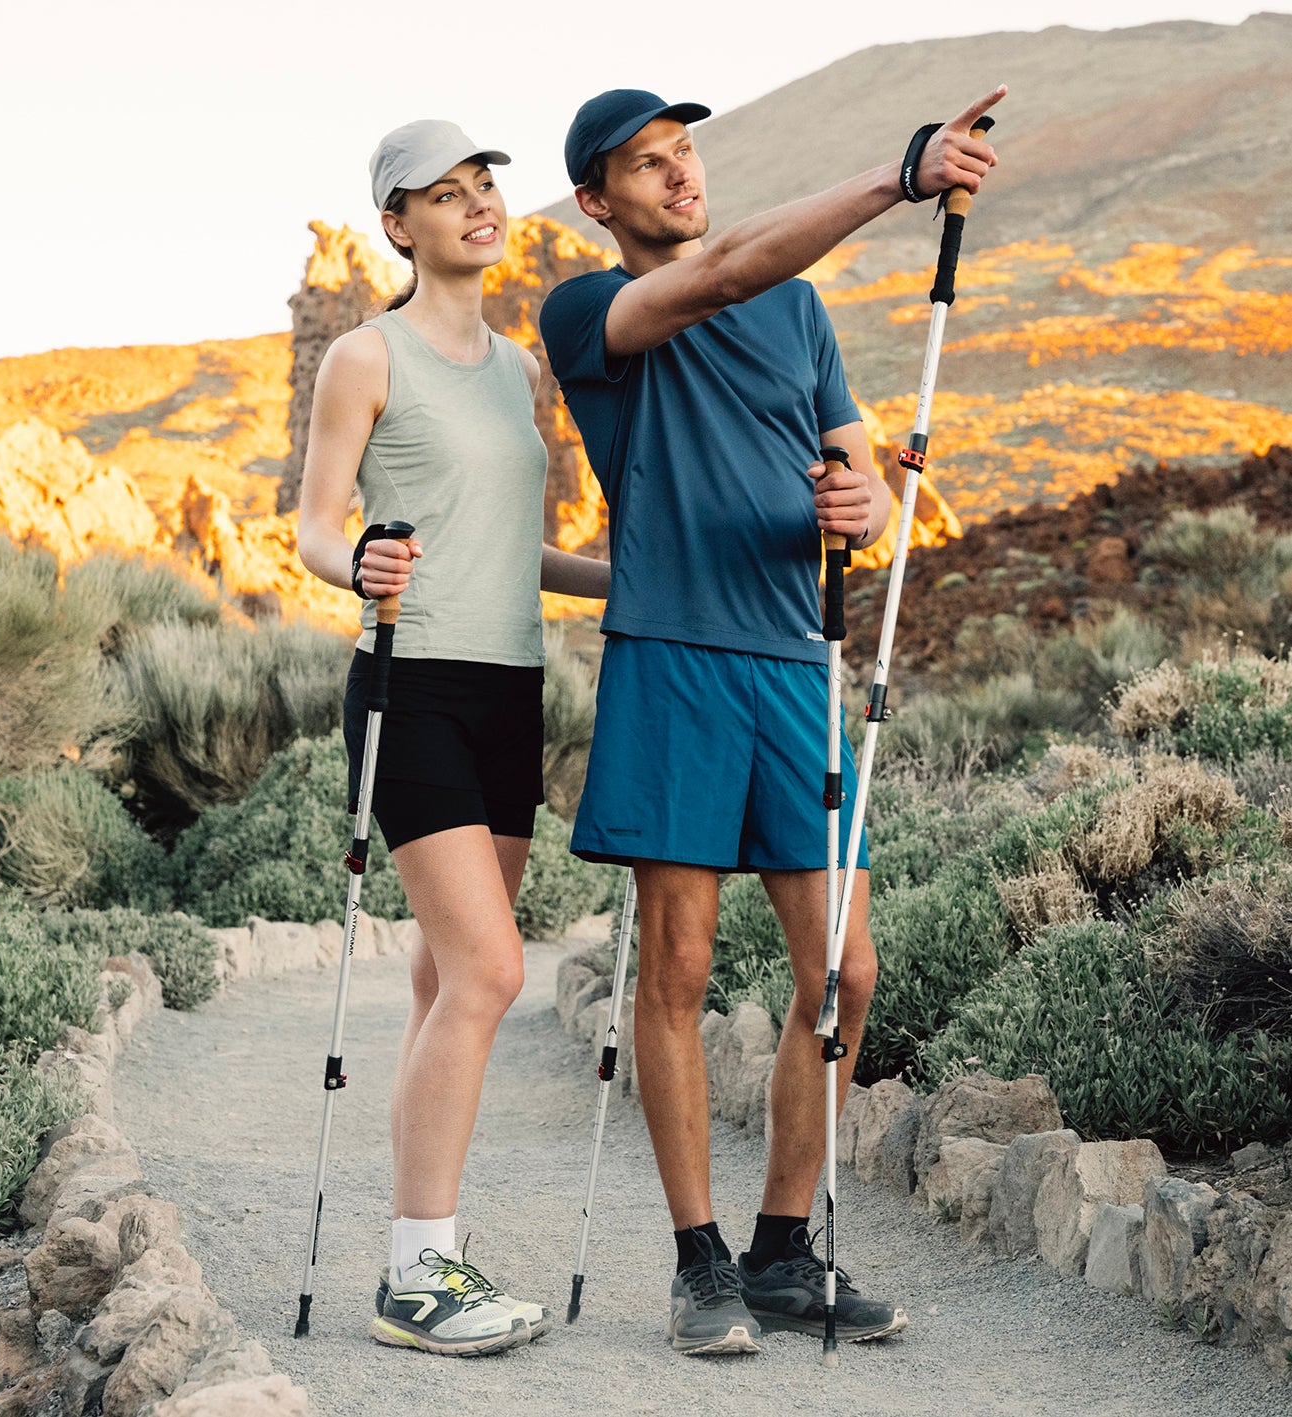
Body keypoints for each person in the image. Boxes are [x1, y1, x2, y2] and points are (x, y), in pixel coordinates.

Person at [538, 85, 1003, 1355]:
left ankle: (785, 1252)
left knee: (844, 972)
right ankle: (699, 1267)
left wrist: (859, 510)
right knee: (678, 967)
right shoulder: (590, 313)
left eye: (685, 153)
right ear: (599, 201)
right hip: (674, 660)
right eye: (646, 165)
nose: (680, 177)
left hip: (794, 666)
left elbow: (862, 490)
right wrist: (894, 176)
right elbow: (723, 269)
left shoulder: (802, 316)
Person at [297, 118, 610, 1358]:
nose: (479, 203)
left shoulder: (516, 369)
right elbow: (320, 527)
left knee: (445, 977)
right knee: (487, 974)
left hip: (509, 689)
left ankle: (433, 1253)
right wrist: (358, 563)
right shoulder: (363, 357)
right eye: (446, 191)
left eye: (486, 184)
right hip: (409, 681)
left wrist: (620, 583)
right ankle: (415, 1276)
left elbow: (505, 548)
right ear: (399, 224)